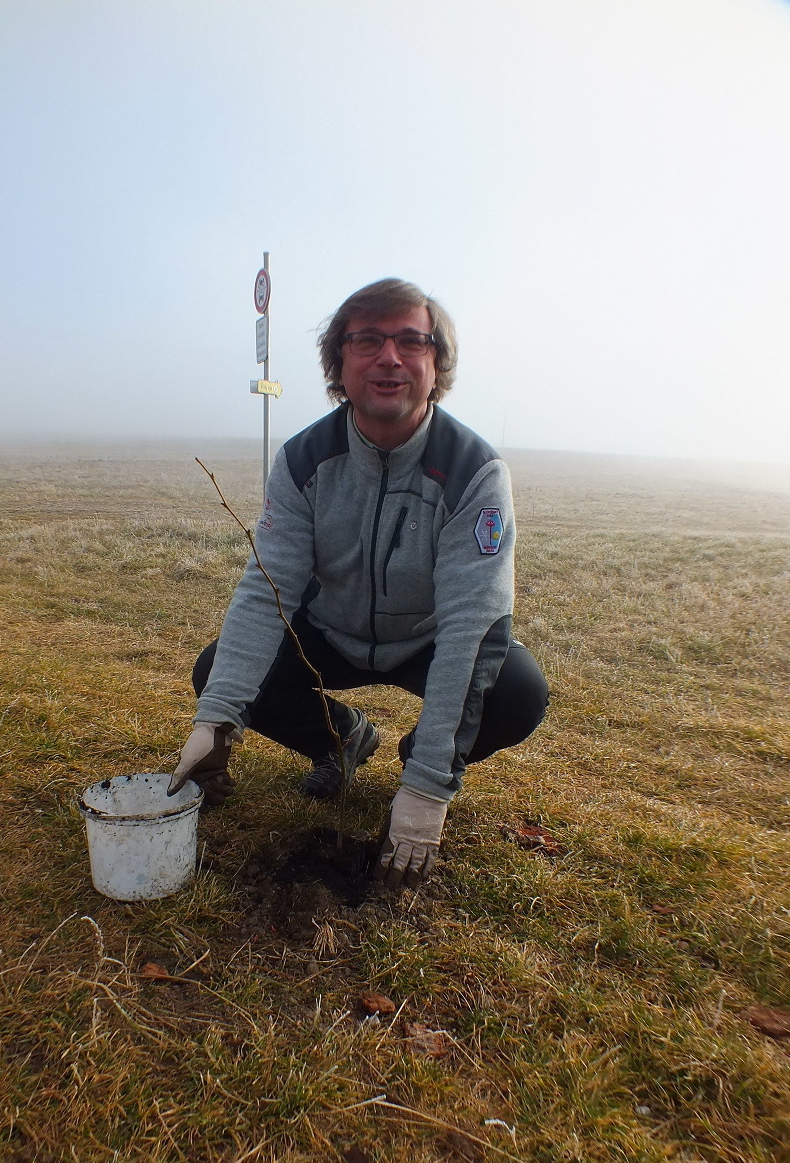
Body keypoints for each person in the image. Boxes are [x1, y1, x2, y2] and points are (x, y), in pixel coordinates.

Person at [168, 279, 548, 889]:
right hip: (332, 634)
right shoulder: (303, 460)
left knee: (517, 691)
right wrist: (215, 720)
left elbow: (472, 630)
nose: (389, 357)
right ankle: (343, 739)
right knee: (218, 669)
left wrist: (428, 782)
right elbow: (268, 591)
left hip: (426, 640)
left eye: (410, 341)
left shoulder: (475, 471)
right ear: (338, 363)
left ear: (435, 363)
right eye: (367, 339)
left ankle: (417, 756)